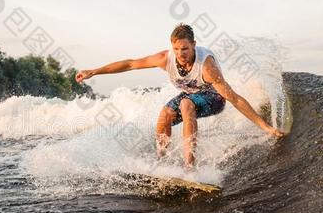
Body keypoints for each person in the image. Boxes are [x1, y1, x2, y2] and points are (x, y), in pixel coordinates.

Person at [75, 23, 286, 168]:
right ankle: (161, 161)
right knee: (165, 115)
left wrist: (265, 126)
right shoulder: (165, 59)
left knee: (186, 104)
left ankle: (189, 167)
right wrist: (94, 71)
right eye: (176, 49)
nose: (180, 54)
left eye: (185, 49)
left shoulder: (207, 67)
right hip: (190, 95)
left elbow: (234, 98)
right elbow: (130, 64)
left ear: (193, 45)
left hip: (214, 98)